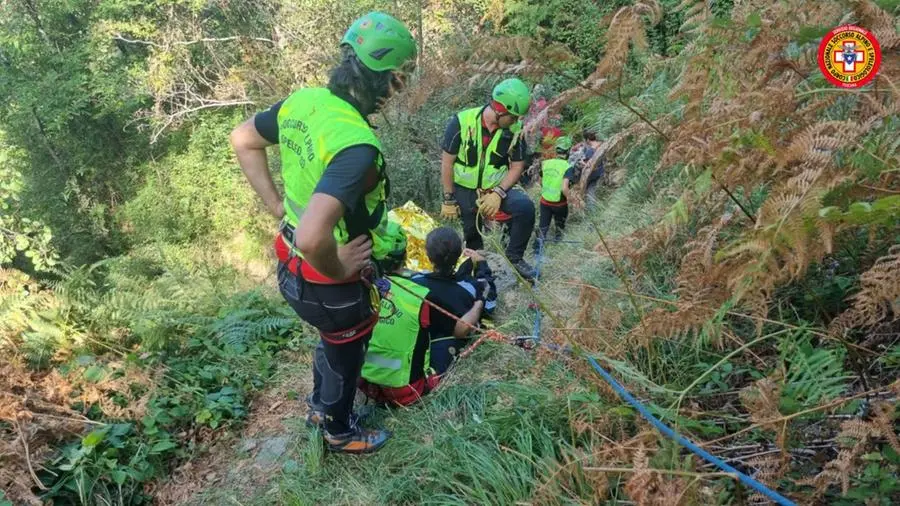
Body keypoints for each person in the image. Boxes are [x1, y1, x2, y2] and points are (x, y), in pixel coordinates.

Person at [229, 11, 417, 454]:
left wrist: (277, 206)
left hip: (289, 261)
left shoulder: (305, 102)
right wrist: (338, 268)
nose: (397, 92)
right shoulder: (353, 145)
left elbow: (243, 138)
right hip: (324, 278)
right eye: (398, 80)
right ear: (385, 78)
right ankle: (339, 430)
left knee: (332, 342)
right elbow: (317, 238)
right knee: (347, 349)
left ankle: (319, 405)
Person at [359, 226, 486, 406]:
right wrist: (479, 301)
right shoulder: (422, 296)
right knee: (449, 341)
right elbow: (462, 330)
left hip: (365, 380)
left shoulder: (367, 286)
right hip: (407, 390)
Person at [439, 78, 537, 280]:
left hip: (497, 187)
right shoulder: (461, 122)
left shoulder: (514, 131)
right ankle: (478, 269)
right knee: (471, 232)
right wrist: (449, 198)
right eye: (513, 117)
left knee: (525, 208)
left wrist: (499, 193)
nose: (516, 121)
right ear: (500, 110)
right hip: (465, 189)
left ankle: (515, 257)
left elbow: (517, 165)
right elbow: (447, 162)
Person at [536, 136, 573, 248]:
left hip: (545, 201)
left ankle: (537, 249)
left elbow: (540, 181)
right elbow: (564, 188)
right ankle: (557, 245)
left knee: (543, 226)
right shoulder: (568, 167)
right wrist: (571, 199)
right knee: (559, 226)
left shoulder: (546, 163)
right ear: (568, 151)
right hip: (560, 204)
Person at [571, 130, 606, 208]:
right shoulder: (602, 145)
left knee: (590, 195)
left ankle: (592, 213)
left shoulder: (590, 151)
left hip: (594, 176)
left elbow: (589, 165)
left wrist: (581, 163)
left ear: (587, 140)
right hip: (603, 173)